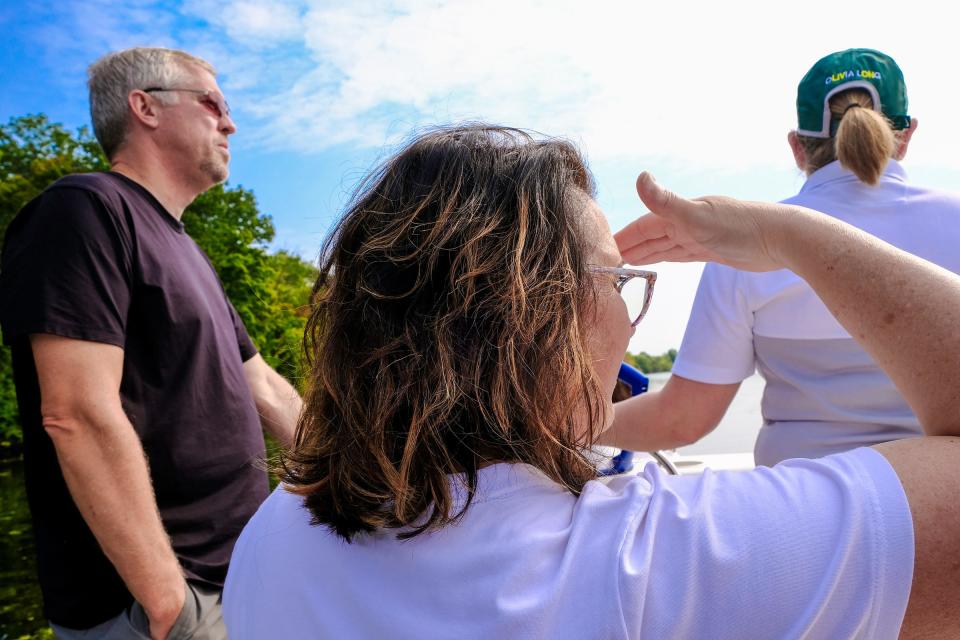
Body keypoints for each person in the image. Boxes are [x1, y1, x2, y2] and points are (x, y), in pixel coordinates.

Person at [223, 125, 960, 638]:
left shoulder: (273, 537)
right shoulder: (659, 559)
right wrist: (789, 236)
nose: (633, 320)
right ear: (542, 315)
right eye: (620, 279)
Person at [0, 48, 302, 639]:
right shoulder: (83, 209)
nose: (230, 122)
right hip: (157, 606)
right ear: (145, 108)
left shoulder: (187, 248)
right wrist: (168, 602)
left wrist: (367, 483)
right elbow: (76, 413)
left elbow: (263, 385)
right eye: (213, 102)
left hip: (239, 575)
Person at [607, 48, 960, 467]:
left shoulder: (740, 240)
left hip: (802, 512)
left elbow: (682, 420)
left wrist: (565, 424)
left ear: (797, 147)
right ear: (907, 135)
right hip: (938, 503)